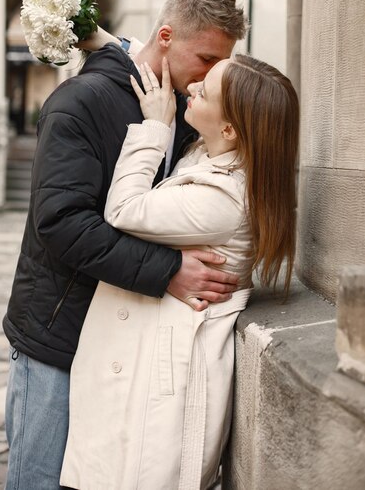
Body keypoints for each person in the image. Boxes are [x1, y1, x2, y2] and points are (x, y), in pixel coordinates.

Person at [3, 0, 247, 490]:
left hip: (121, 343)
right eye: (206, 59)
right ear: (165, 38)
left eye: (222, 63)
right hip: (57, 336)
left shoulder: (187, 108)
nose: (210, 75)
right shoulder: (79, 102)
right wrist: (168, 271)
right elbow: (62, 225)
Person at [60, 54, 299, 490]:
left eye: (205, 90)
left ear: (229, 129)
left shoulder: (224, 198)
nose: (192, 89)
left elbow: (123, 209)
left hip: (158, 382)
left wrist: (154, 129)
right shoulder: (208, 156)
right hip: (146, 359)